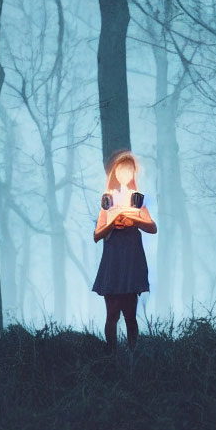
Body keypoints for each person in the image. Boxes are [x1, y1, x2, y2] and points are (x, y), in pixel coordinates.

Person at [92, 149, 157, 360]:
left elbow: (152, 227)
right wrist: (113, 222)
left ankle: (132, 358)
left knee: (130, 315)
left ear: (133, 173)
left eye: (129, 169)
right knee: (112, 314)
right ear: (115, 172)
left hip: (131, 262)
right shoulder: (107, 200)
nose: (125, 173)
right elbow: (97, 234)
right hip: (113, 263)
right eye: (121, 169)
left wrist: (134, 220)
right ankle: (111, 357)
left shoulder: (137, 200)